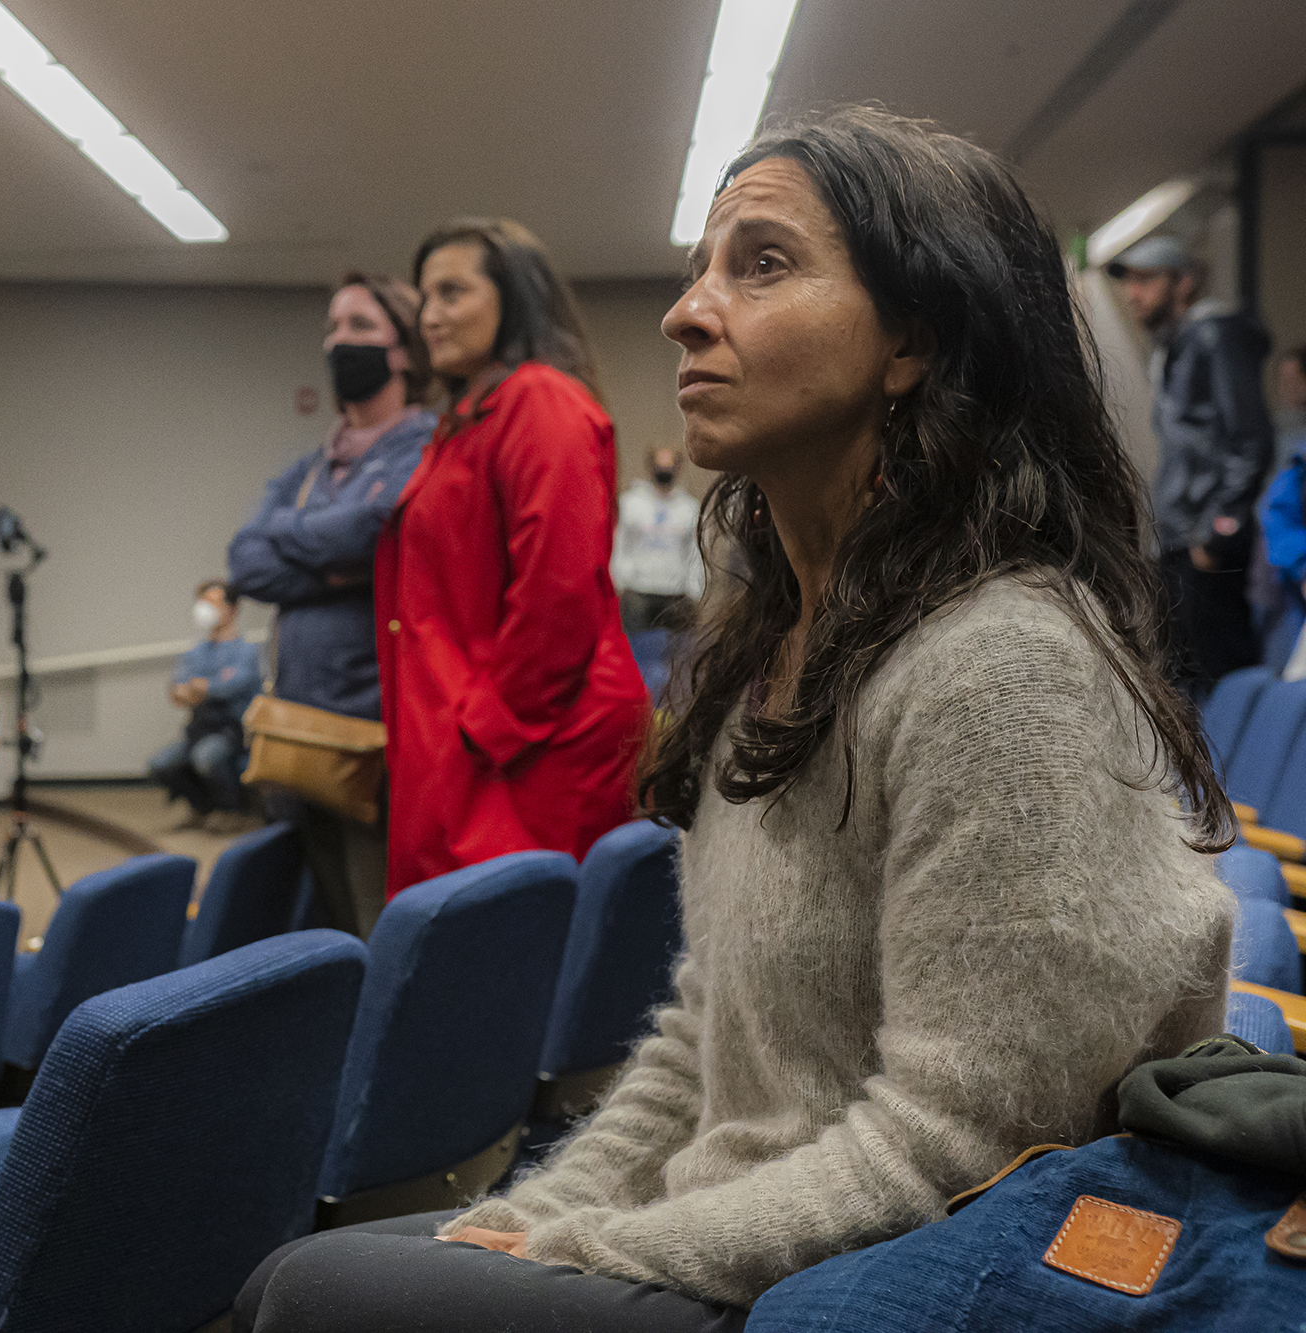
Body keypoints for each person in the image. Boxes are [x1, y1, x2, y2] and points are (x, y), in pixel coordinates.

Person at [236, 107, 1234, 1333]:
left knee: (302, 1288)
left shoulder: (1002, 666)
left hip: (868, 1284)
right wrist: (543, 1222)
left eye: (760, 265)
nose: (685, 312)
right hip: (757, 1226)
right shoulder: (769, 650)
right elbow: (704, 1043)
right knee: (333, 1264)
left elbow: (965, 1146)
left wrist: (602, 1249)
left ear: (911, 336)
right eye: (698, 269)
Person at [370, 218, 648, 898]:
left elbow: (560, 595)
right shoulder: (469, 417)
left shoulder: (541, 402)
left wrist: (482, 729)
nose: (429, 316)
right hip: (480, 747)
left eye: (452, 293)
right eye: (424, 297)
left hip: (527, 753)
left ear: (514, 299)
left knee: (513, 966)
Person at [228, 271, 434, 935]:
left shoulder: (424, 442)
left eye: (360, 327)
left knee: (375, 923)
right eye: (333, 328)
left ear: (402, 350)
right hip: (293, 732)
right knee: (308, 926)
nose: (339, 342)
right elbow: (245, 559)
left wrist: (296, 539)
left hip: (371, 740)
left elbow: (374, 526)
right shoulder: (311, 464)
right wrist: (339, 567)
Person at [1109, 234, 1275, 694]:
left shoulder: (1213, 334)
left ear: (1183, 282)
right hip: (1179, 541)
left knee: (1221, 680)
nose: (1133, 293)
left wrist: (1215, 533)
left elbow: (1250, 438)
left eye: (1147, 279)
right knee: (1186, 683)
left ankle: (1245, 767)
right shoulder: (1175, 345)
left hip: (1207, 543)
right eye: (1129, 281)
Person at [148, 580, 263, 825]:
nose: (205, 609)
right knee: (160, 764)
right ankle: (202, 808)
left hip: (232, 733)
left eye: (213, 603)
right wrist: (191, 690)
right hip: (198, 732)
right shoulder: (195, 653)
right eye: (203, 603)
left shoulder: (246, 651)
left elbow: (228, 686)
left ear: (232, 609)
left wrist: (203, 688)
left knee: (207, 757)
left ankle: (231, 810)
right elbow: (179, 690)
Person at [612, 447, 705, 633]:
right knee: (635, 651)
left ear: (677, 468)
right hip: (638, 591)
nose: (664, 471)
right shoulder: (631, 502)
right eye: (660, 466)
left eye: (669, 467)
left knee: (679, 654)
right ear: (651, 467)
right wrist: (618, 582)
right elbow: (620, 544)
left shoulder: (689, 508)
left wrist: (695, 590)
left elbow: (696, 552)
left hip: (676, 595)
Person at [1257, 346, 1306, 674]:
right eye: (1283, 379)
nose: (1288, 386)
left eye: (1295, 378)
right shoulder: (1289, 441)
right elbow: (1278, 512)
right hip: (1290, 592)